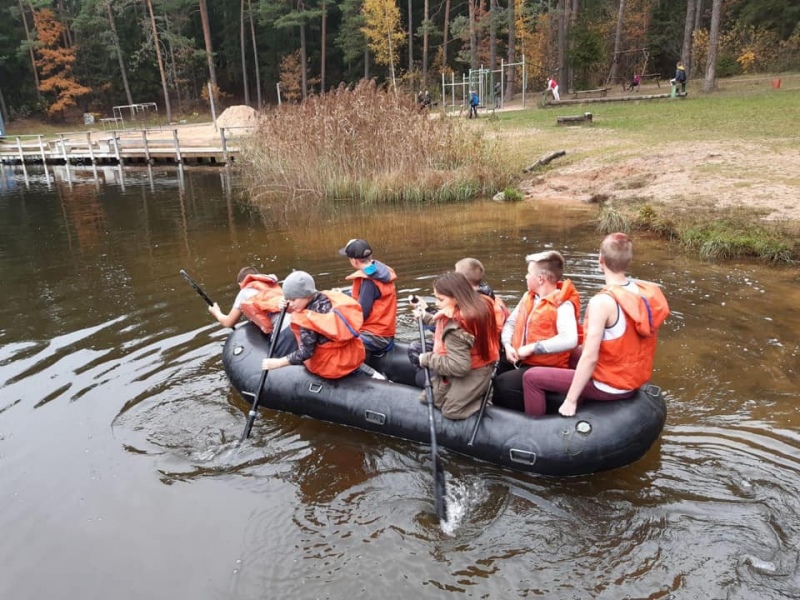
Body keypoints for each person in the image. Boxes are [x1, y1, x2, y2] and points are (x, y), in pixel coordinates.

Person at [522, 233, 670, 417]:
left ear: (601, 260)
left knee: (531, 378)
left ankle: (536, 428)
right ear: (628, 261)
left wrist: (570, 400)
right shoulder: (643, 293)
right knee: (571, 353)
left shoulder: (602, 303)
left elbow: (590, 357)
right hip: (631, 378)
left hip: (609, 386)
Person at [492, 251, 581, 412]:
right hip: (521, 357)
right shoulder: (529, 297)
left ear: (540, 279)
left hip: (545, 366)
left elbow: (570, 339)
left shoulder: (563, 305)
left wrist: (533, 347)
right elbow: (511, 323)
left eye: (528, 273)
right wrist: (508, 345)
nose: (526, 277)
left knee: (502, 385)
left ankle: (525, 417)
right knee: (495, 369)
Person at [411, 271, 499, 419]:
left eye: (440, 299)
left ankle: (484, 397)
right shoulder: (477, 304)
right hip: (476, 362)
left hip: (474, 370)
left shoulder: (456, 329)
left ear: (456, 297)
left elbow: (459, 367)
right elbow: (444, 320)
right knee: (429, 398)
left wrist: (426, 359)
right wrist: (426, 317)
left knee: (451, 411)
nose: (437, 303)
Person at [261, 271, 374, 380]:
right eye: (287, 300)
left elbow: (306, 352)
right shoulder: (327, 298)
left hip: (331, 367)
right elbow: (302, 305)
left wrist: (279, 363)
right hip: (352, 357)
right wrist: (288, 305)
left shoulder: (307, 321)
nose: (290, 303)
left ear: (305, 294)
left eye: (293, 299)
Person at [208, 266, 296, 355]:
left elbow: (229, 322)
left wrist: (216, 312)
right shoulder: (272, 286)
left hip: (283, 332)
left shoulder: (244, 292)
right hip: (297, 323)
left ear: (240, 284)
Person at [339, 238, 398, 353]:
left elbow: (361, 315)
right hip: (386, 332)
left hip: (376, 336)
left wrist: (340, 313)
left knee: (338, 341)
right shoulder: (381, 272)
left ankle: (363, 371)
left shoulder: (368, 282)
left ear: (354, 261)